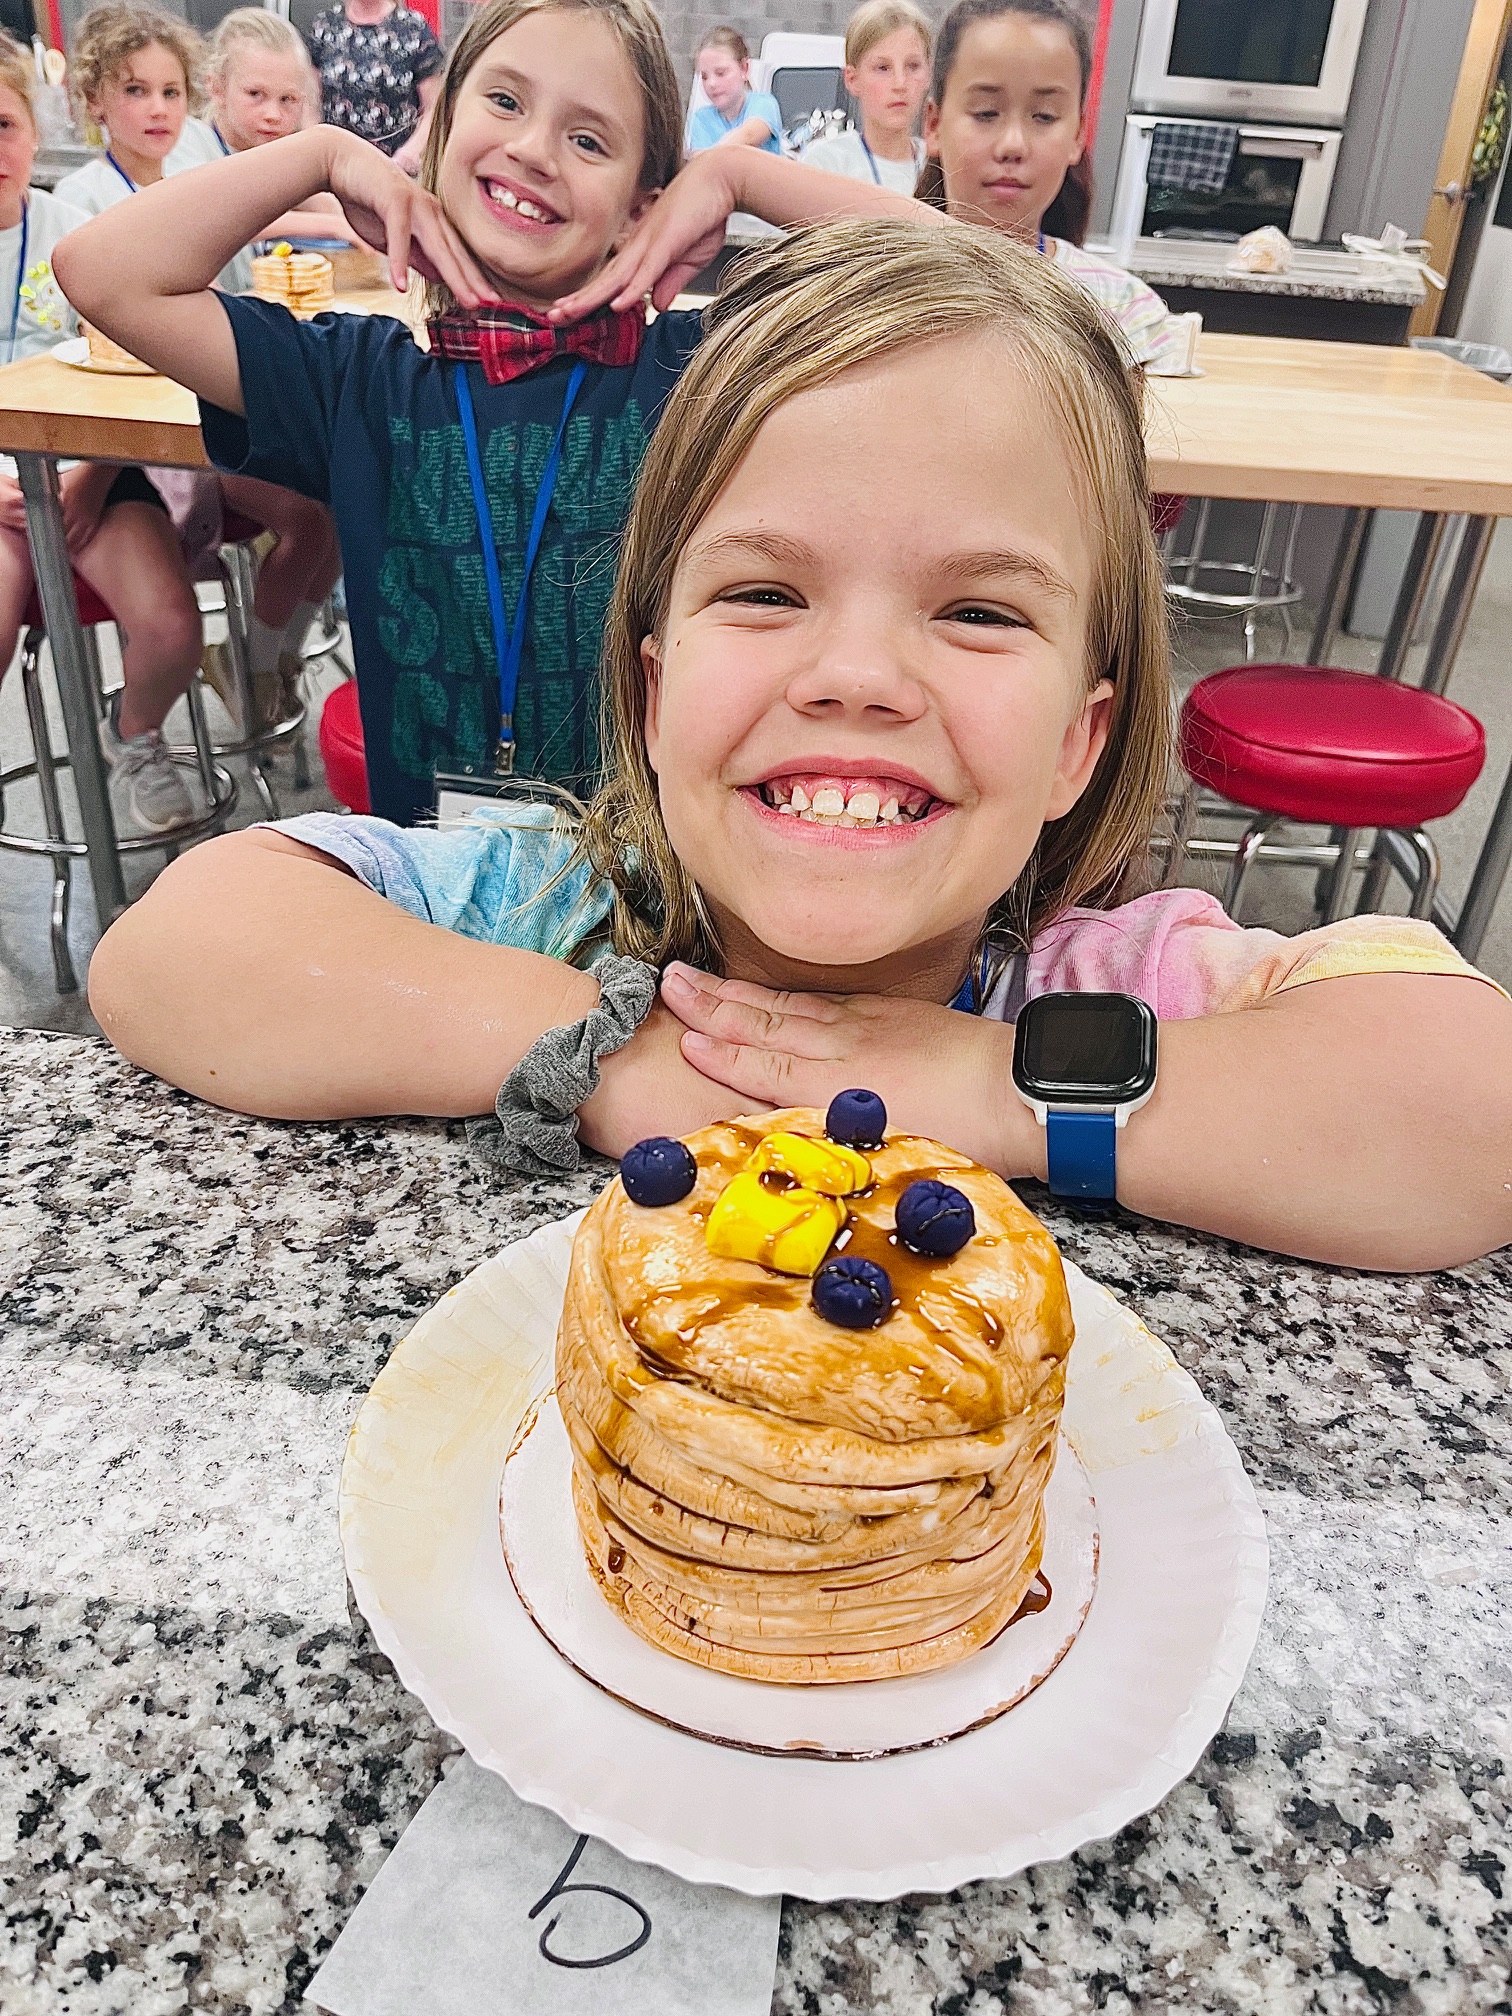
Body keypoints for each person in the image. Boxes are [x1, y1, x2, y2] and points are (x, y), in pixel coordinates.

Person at [86, 221, 1512, 1272]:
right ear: (652, 691)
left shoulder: (1097, 993)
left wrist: (990, 1088)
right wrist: (607, 1055)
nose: (855, 676)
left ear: (1082, 741)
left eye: (975, 608)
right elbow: (175, 950)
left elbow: (1470, 1103)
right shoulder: (544, 905)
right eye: (767, 592)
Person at [56, 0, 934, 828]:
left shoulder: (694, 372)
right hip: (430, 874)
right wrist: (321, 154)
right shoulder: (356, 378)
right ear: (441, 132)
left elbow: (969, 281)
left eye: (590, 138)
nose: (535, 149)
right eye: (505, 100)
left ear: (641, 206)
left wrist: (736, 177)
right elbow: (103, 272)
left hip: (653, 882)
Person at [0, 33, 203, 832]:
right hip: (4, 490)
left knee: (169, 625)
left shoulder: (73, 231)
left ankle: (136, 734)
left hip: (94, 474)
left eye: (5, 126)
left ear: (31, 127)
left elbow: (131, 356)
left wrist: (89, 471)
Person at [919, 0, 1184, 372]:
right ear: (933, 125)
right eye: (985, 113)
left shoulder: (1124, 314)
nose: (1013, 144)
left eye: (1044, 116)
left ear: (1078, 134)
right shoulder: (876, 289)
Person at [55, 0, 206, 215]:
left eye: (170, 93)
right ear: (94, 99)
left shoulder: (190, 184)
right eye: (135, 90)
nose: (159, 110)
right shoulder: (80, 197)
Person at [803, 0, 930, 197]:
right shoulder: (825, 165)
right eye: (883, 68)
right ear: (853, 79)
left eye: (912, 66)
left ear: (928, 74)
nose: (900, 84)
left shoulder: (943, 167)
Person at [307, 0, 443, 171]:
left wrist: (410, 153)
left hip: (396, 166)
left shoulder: (414, 28)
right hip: (335, 166)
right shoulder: (324, 26)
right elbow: (309, 102)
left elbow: (434, 107)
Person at [685, 28, 783, 156]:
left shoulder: (764, 103)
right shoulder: (699, 118)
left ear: (744, 68)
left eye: (721, 73)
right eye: (704, 77)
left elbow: (750, 135)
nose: (711, 83)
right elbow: (698, 160)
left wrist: (709, 157)